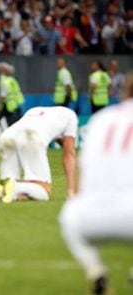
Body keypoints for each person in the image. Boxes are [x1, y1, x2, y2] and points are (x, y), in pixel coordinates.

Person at [60, 71, 133, 295]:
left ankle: (95, 269)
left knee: (68, 215)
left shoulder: (102, 118)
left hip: (87, 218)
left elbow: (85, 169)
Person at [0, 106, 77, 203]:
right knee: (44, 191)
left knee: (8, 184)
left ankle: (5, 187)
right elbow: (69, 154)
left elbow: (56, 136)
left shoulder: (35, 110)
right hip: (31, 137)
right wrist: (70, 190)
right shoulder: (71, 116)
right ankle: (15, 186)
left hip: (7, 136)